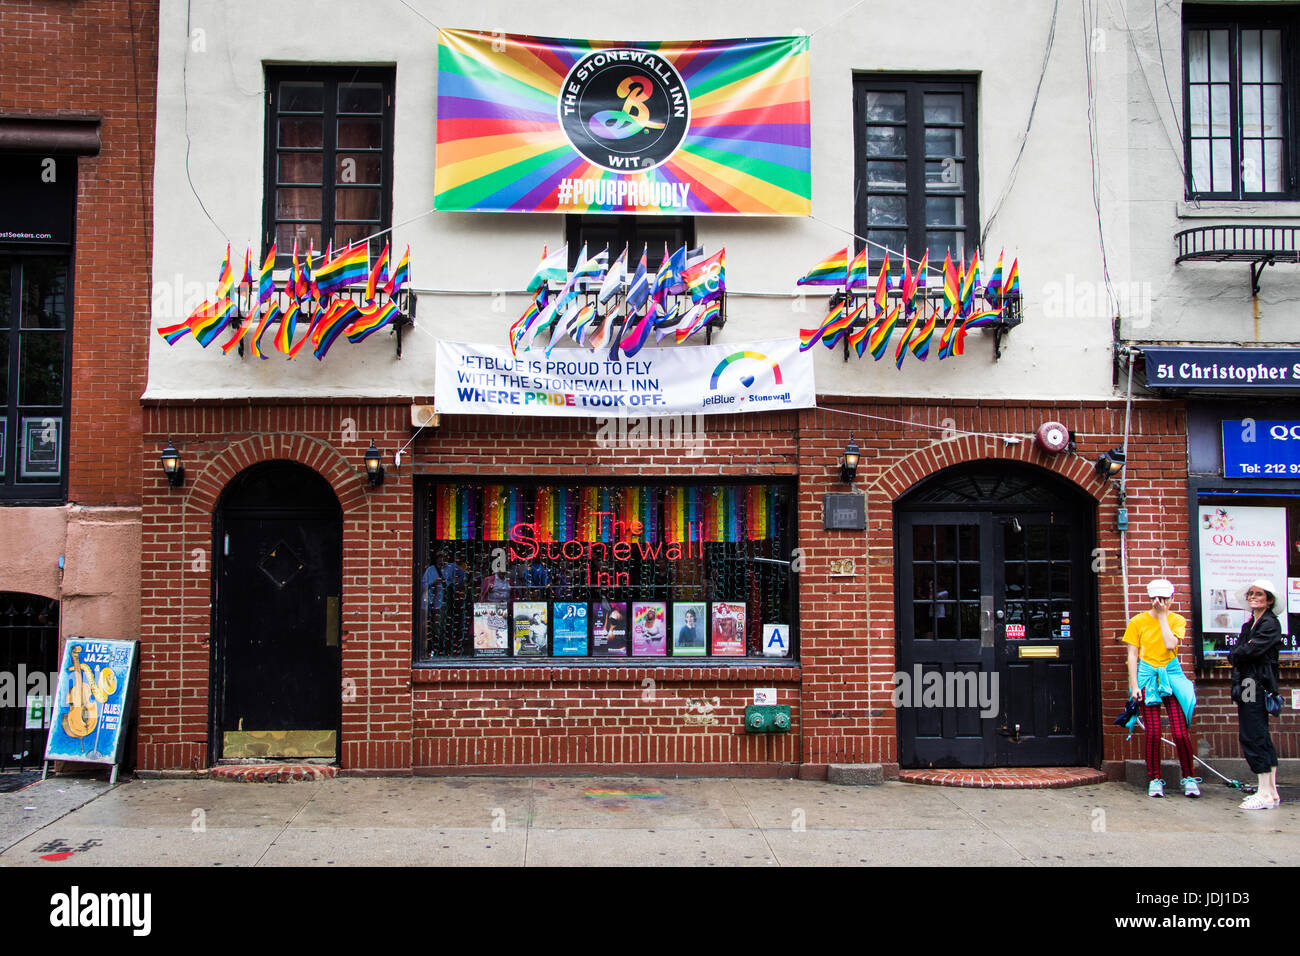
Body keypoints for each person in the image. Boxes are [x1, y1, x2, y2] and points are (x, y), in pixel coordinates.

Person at [1122, 578, 1199, 798]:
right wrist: (1134, 685)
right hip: (1147, 675)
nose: (1161, 602)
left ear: (1173, 599)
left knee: (1180, 732)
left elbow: (1170, 644)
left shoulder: (1177, 620)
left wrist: (1164, 617)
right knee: (1153, 732)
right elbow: (1132, 654)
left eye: (1165, 598)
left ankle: (1189, 776)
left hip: (1171, 674)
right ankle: (1155, 778)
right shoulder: (1138, 622)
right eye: (1157, 598)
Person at [1231, 579, 1283, 810]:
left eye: (1258, 594)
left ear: (1269, 599)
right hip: (1250, 681)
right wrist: (1241, 652)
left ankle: (1263, 793)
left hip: (1254, 684)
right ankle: (1270, 791)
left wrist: (1238, 653)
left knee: (1253, 733)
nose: (1253, 597)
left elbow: (1246, 651)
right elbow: (1244, 650)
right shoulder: (1249, 626)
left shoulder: (1270, 624)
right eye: (1251, 593)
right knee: (1259, 732)